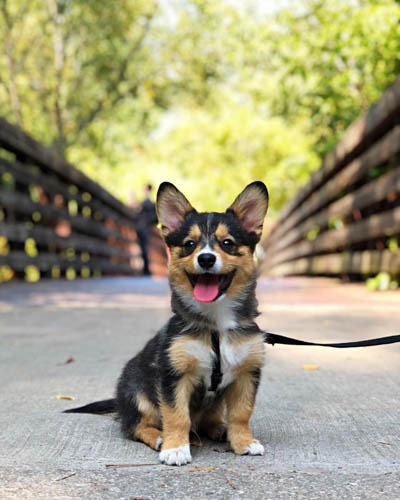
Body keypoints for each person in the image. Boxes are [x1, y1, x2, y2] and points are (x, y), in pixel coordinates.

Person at [136, 184, 158, 276]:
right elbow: (156, 219)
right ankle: (145, 270)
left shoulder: (146, 204)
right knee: (143, 248)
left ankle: (146, 270)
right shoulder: (149, 204)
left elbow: (155, 219)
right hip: (143, 228)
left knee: (144, 248)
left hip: (143, 228)